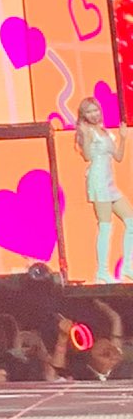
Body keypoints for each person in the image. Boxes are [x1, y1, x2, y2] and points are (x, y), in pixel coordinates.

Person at [74, 95, 132, 285]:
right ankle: (102, 272)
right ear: (83, 115)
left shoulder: (105, 131)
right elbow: (87, 156)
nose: (94, 114)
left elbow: (118, 157)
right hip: (98, 180)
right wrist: (86, 137)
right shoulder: (87, 131)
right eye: (89, 111)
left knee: (131, 221)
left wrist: (123, 137)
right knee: (106, 226)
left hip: (109, 181)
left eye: (96, 110)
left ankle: (128, 266)